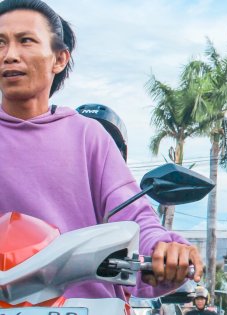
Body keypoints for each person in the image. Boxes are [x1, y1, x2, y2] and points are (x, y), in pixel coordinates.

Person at [0, 0, 202, 302]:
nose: (10, 55)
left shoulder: (87, 136)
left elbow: (133, 219)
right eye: (0, 43)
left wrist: (163, 248)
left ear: (59, 59)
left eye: (25, 41)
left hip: (89, 306)